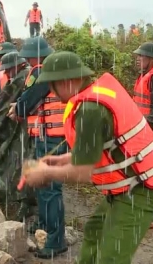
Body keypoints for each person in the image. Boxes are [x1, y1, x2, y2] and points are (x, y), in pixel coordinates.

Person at [20, 51, 153, 264]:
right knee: (94, 232)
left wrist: (46, 173)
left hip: (140, 190)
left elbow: (82, 172)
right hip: (127, 187)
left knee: (111, 256)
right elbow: (92, 150)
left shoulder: (91, 109)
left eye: (52, 85)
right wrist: (61, 160)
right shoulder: (94, 98)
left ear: (68, 81)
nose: (51, 92)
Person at [9, 36, 67, 259]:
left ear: (37, 56)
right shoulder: (54, 70)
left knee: (51, 188)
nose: (29, 62)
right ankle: (45, 225)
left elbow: (29, 98)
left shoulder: (44, 72)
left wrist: (18, 109)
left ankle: (56, 240)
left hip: (52, 137)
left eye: (29, 58)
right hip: (51, 136)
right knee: (45, 184)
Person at [0, 51, 31, 220]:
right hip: (26, 126)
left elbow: (7, 103)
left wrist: (1, 117)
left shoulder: (23, 76)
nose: (6, 73)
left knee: (20, 161)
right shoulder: (24, 75)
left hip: (26, 128)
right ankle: (23, 202)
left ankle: (24, 203)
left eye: (8, 69)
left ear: (17, 65)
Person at [133, 42, 153, 128]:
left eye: (141, 56)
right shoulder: (142, 76)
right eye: (137, 56)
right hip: (141, 125)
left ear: (151, 59)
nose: (137, 59)